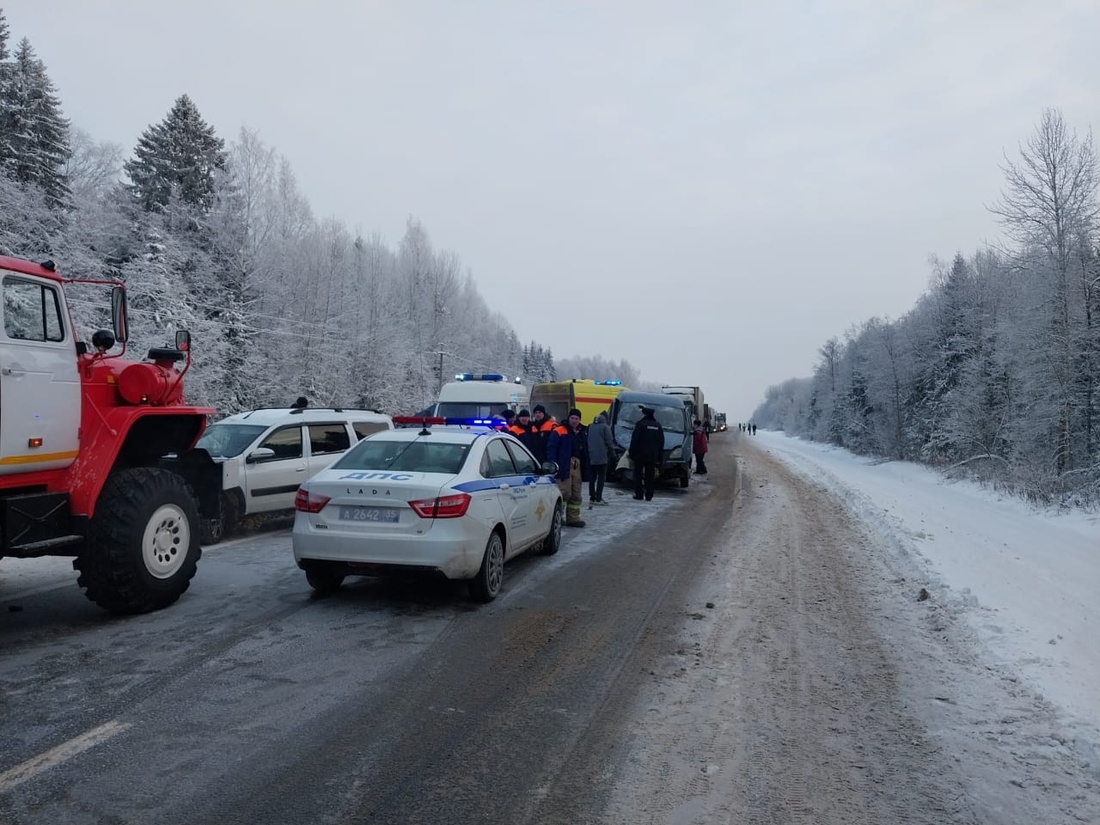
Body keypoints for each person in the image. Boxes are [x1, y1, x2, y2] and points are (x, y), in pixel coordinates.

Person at [546, 408, 589, 527]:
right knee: (564, 492)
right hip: (564, 465)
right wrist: (552, 464)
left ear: (580, 420)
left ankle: (573, 518)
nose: (574, 421)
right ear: (568, 418)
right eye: (572, 418)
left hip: (578, 465)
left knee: (576, 493)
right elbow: (551, 448)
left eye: (576, 418)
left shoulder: (582, 432)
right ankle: (558, 517)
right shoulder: (559, 431)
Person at [629, 406, 664, 501]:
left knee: (638, 475)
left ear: (644, 414)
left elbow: (634, 440)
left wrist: (631, 453)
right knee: (650, 476)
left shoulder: (640, 424)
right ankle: (649, 495)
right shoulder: (658, 426)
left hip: (639, 455)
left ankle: (639, 494)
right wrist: (660, 457)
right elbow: (661, 442)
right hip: (652, 456)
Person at [586, 410, 616, 505]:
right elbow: (609, 442)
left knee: (592, 478)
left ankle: (592, 497)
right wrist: (613, 453)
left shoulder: (590, 426)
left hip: (591, 456)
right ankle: (598, 498)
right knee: (601, 478)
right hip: (602, 456)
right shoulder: (605, 427)